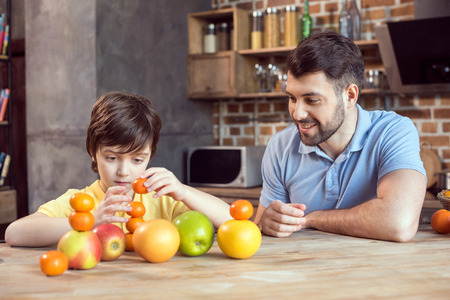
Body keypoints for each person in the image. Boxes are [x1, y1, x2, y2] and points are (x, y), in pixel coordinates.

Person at [253, 31, 427, 242]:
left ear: (350, 96)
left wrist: (312, 219)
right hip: (303, 269)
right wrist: (268, 223)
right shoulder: (280, 146)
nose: (297, 114)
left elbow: (399, 223)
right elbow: (261, 229)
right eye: (292, 98)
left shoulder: (393, 131)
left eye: (312, 100)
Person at [5, 92, 231, 247]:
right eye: (112, 157)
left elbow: (231, 220)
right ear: (93, 152)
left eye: (137, 160)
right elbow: (14, 234)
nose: (124, 171)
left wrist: (184, 192)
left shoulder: (163, 199)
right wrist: (90, 220)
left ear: (150, 155)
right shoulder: (82, 202)